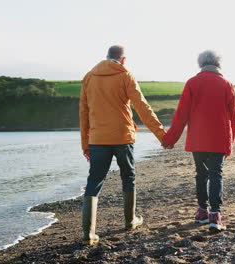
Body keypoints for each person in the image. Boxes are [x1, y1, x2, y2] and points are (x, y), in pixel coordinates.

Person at [79, 45, 166, 245]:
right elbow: (142, 107)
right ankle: (130, 221)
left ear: (107, 57)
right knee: (128, 176)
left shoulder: (89, 77)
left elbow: (83, 113)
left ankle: (88, 234)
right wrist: (161, 135)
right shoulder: (125, 75)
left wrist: (85, 144)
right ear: (123, 59)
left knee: (94, 181)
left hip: (98, 139)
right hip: (122, 137)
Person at [163, 50, 235, 231]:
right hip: (219, 138)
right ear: (218, 63)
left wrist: (170, 139)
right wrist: (230, 143)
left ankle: (202, 211)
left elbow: (181, 114)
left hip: (198, 138)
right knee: (216, 174)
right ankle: (215, 215)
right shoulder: (227, 84)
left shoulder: (192, 83)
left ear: (200, 63)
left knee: (201, 174)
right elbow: (233, 116)